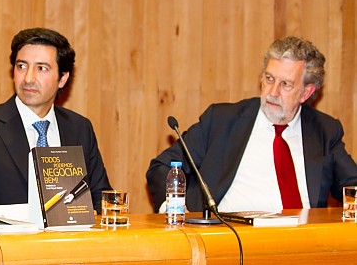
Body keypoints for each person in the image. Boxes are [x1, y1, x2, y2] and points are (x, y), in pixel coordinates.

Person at [146, 36, 357, 213]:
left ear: (306, 92)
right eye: (269, 79)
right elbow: (162, 167)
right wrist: (176, 212)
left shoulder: (324, 131)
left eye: (285, 84)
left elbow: (352, 185)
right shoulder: (222, 120)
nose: (273, 93)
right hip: (231, 243)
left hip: (302, 247)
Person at [0, 27, 111, 215]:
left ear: (62, 78)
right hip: (4, 242)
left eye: (41, 68)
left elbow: (101, 198)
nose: (28, 78)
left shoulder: (79, 128)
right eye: (21, 66)